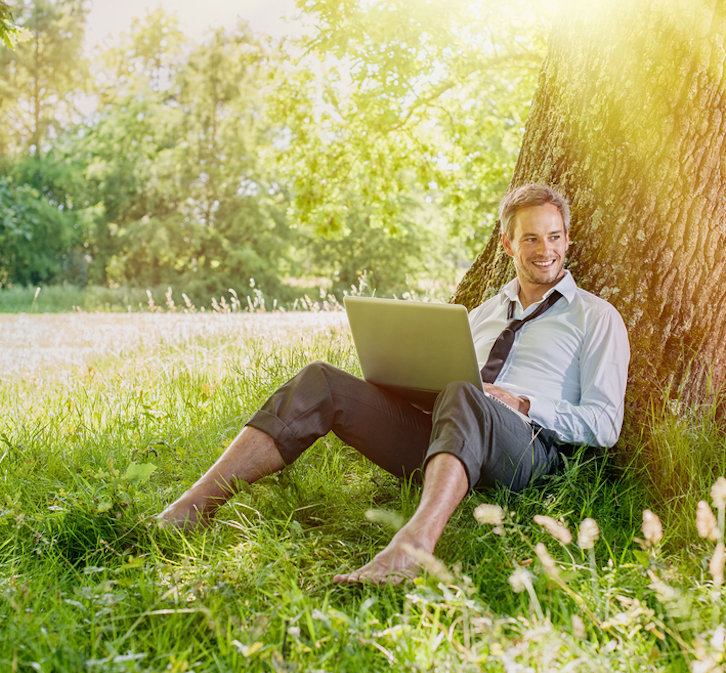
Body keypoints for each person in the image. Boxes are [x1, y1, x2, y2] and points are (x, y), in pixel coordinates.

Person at [157, 183, 630, 585]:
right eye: (530, 238)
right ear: (507, 245)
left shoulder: (596, 317)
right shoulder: (481, 314)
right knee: (322, 380)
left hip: (527, 454)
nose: (544, 250)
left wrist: (523, 402)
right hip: (449, 436)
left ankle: (411, 550)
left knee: (465, 392)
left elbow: (605, 424)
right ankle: (190, 509)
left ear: (566, 241)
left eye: (553, 237)